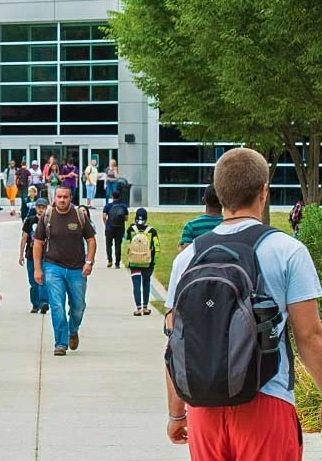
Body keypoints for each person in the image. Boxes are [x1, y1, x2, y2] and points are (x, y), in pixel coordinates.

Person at [164, 148, 322, 459]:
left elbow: (174, 340)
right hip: (266, 401)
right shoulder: (287, 250)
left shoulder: (187, 257)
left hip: (203, 410)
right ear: (264, 191)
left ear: (219, 194)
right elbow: (309, 336)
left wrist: (176, 414)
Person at [33, 186, 96, 356]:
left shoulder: (79, 215)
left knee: (78, 306)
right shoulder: (48, 216)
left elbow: (91, 240)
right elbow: (38, 243)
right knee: (57, 305)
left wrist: (89, 262)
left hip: (77, 269)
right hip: (53, 267)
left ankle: (73, 330)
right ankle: (60, 343)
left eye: (65, 197)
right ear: (54, 198)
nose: (62, 200)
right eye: (59, 197)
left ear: (70, 198)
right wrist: (37, 269)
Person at [125, 208, 160, 316]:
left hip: (134, 262)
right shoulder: (152, 231)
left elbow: (126, 238)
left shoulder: (131, 229)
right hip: (147, 262)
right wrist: (153, 261)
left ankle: (138, 308)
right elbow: (157, 248)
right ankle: (145, 307)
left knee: (136, 285)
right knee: (146, 283)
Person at [19, 198, 49, 314]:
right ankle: (35, 304)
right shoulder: (30, 220)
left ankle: (43, 303)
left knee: (44, 280)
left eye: (43, 207)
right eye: (39, 207)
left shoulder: (49, 221)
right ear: (36, 208)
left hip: (46, 256)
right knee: (33, 281)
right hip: (31, 255)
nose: (41, 209)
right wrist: (21, 254)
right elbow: (24, 237)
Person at [177, 183, 223, 252]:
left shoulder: (191, 226)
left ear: (203, 200)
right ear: (223, 201)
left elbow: (185, 252)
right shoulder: (229, 224)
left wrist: (180, 247)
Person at [103, 190, 129, 268]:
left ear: (112, 197)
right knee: (118, 245)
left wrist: (106, 224)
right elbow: (126, 218)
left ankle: (110, 260)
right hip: (120, 228)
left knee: (109, 245)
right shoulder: (124, 206)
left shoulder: (108, 206)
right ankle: (117, 263)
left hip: (109, 228)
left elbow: (104, 217)